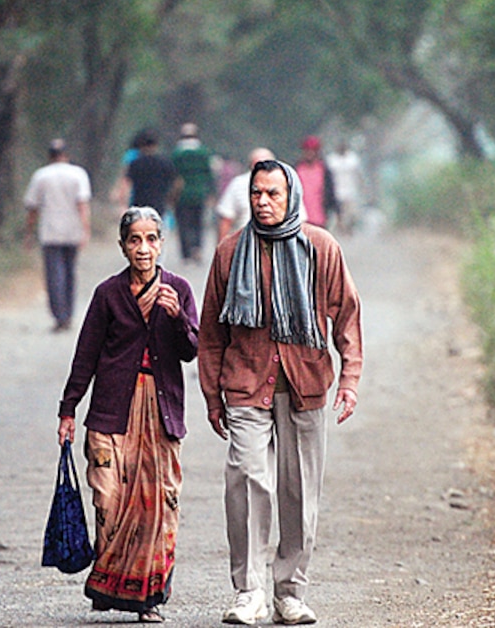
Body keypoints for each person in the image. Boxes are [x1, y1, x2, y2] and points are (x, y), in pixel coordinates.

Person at [198, 160, 363, 626]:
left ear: (291, 195)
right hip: (246, 383)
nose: (263, 202)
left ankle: (289, 591)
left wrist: (349, 379)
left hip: (305, 383)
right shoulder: (230, 253)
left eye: (273, 193)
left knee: (299, 491)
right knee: (247, 480)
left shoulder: (321, 248)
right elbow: (211, 332)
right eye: (256, 194)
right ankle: (249, 592)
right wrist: (213, 396)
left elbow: (347, 316)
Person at [56, 207, 200, 623]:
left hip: (160, 410)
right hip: (112, 409)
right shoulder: (108, 294)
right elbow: (86, 355)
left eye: (151, 239)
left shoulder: (179, 289)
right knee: (109, 496)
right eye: (134, 240)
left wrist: (177, 318)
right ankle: (109, 581)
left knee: (157, 502)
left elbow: (192, 349)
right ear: (122, 246)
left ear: (161, 243)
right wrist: (69, 409)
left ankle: (148, 598)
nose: (143, 248)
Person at [23, 138, 91, 331]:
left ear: (49, 156)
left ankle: (59, 315)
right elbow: (83, 205)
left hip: (50, 231)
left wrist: (29, 233)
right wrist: (86, 230)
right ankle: (68, 313)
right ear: (66, 155)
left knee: (54, 275)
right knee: (69, 273)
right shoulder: (78, 174)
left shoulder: (41, 176)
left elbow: (32, 208)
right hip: (72, 230)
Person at [170, 122, 216, 263]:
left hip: (181, 194)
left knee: (183, 224)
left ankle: (186, 253)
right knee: (198, 223)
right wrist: (212, 193)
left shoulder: (177, 154)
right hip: (199, 193)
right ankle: (197, 248)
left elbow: (172, 175)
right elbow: (209, 175)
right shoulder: (204, 152)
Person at [126, 130, 180, 218]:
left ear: (141, 146)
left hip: (139, 205)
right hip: (158, 204)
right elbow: (178, 183)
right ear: (156, 145)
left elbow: (127, 184)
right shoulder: (165, 163)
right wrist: (171, 199)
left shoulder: (135, 163)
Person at [293, 136, 338, 229]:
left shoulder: (324, 170)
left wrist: (335, 210)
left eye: (312, 151)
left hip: (320, 217)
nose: (309, 154)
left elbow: (330, 191)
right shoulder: (297, 169)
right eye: (307, 151)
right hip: (300, 218)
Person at [325, 141, 364, 236]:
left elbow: (358, 174)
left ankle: (349, 228)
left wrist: (362, 186)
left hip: (351, 190)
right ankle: (342, 229)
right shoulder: (331, 160)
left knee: (352, 213)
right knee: (339, 213)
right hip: (336, 190)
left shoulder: (353, 159)